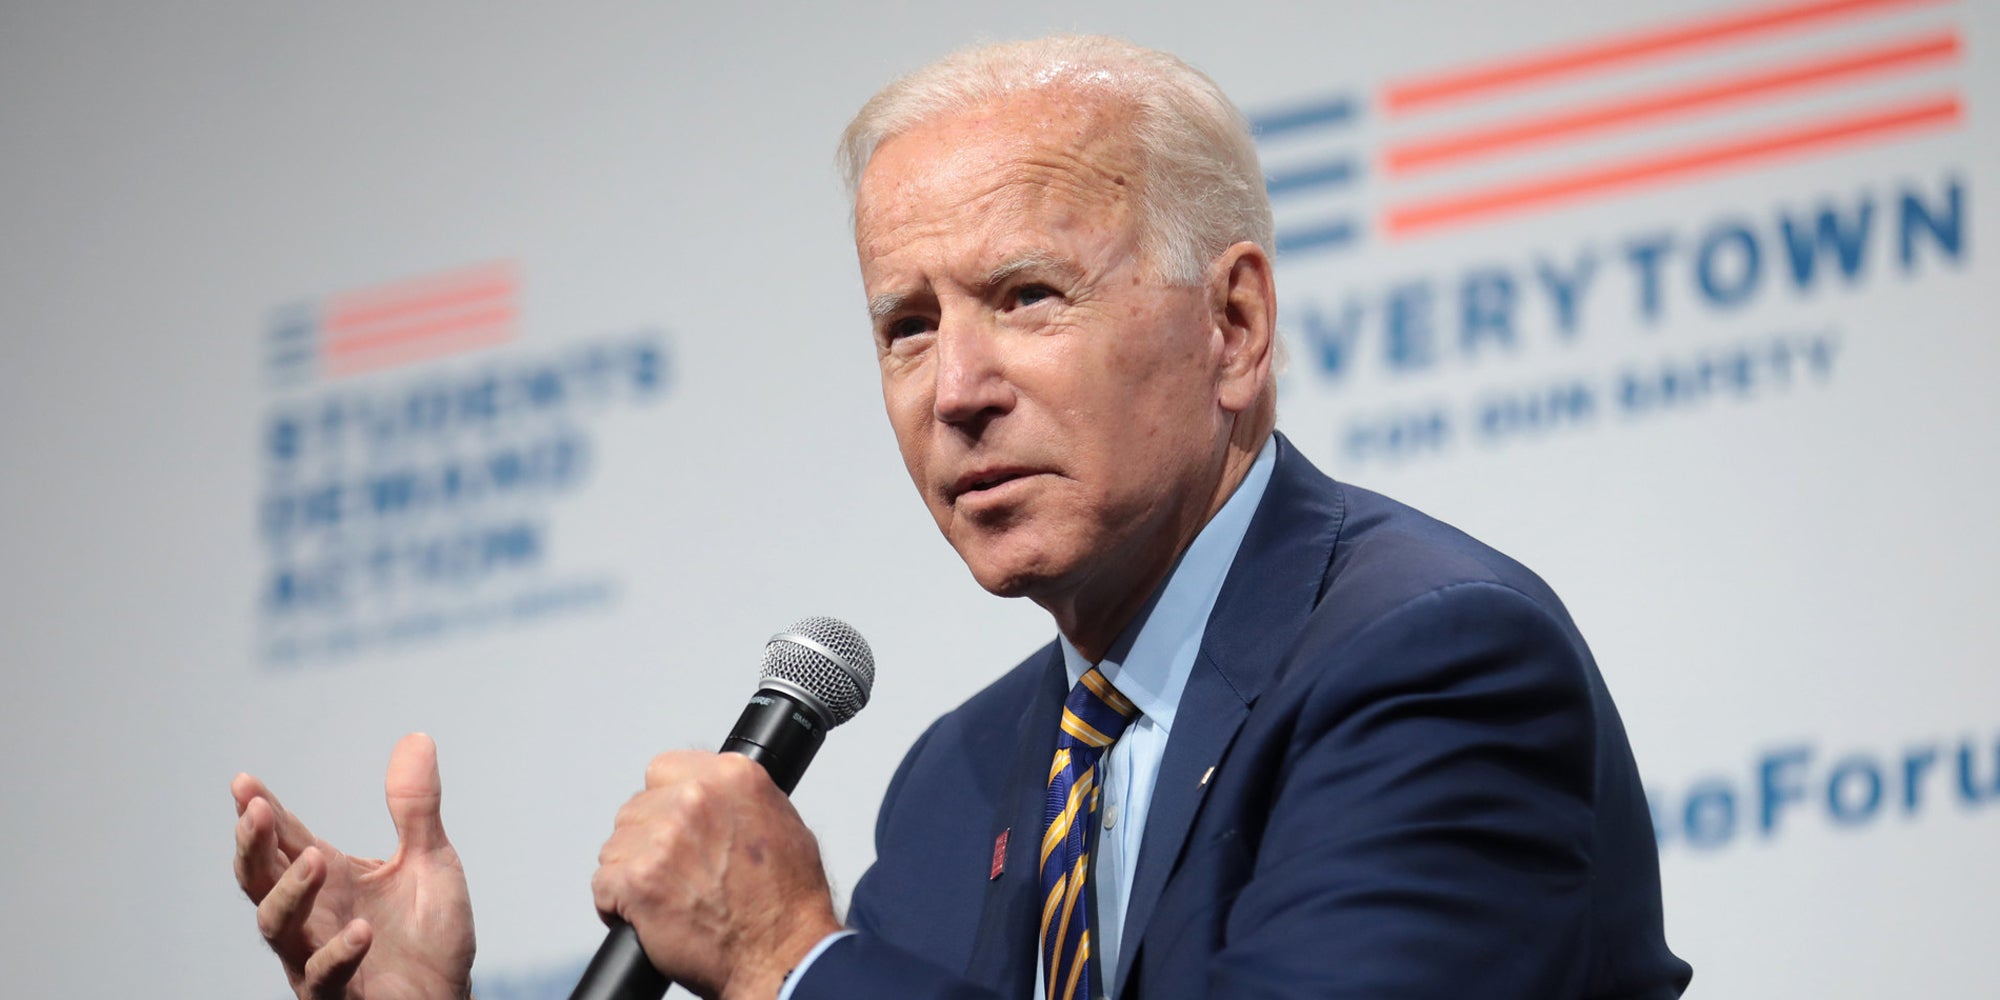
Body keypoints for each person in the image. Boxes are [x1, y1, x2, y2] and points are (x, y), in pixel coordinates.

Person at [232, 35, 1692, 1000]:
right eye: (906, 327)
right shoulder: (960, 781)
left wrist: (798, 964)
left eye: (1026, 298)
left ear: (1233, 326)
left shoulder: (1428, 664)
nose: (959, 389)